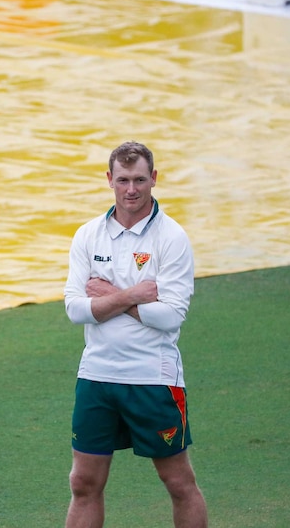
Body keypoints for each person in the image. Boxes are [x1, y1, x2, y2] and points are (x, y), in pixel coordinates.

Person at [63, 141, 208, 528]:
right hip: (96, 376)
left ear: (154, 179)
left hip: (152, 378)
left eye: (140, 180)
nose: (131, 190)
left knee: (178, 481)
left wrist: (108, 297)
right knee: (83, 482)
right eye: (123, 180)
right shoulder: (88, 235)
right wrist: (132, 296)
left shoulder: (172, 238)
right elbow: (75, 309)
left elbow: (171, 316)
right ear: (109, 179)